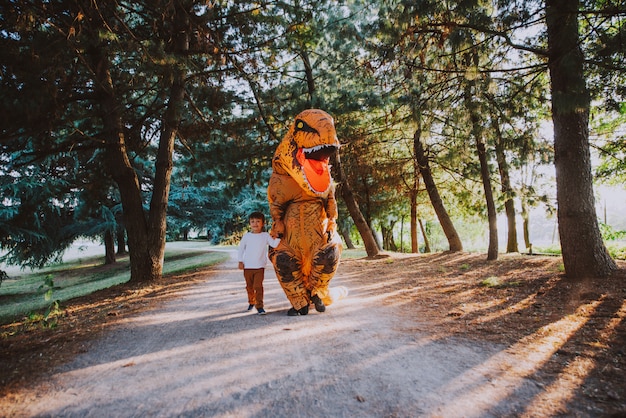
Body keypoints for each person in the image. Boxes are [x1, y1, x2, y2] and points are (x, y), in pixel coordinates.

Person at [237, 211, 281, 315]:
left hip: (259, 267)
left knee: (258, 286)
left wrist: (279, 237)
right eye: (252, 221)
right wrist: (240, 261)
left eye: (258, 221)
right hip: (248, 267)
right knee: (249, 286)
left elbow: (274, 244)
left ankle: (260, 306)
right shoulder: (247, 236)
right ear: (249, 223)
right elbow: (241, 249)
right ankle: (251, 302)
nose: (255, 224)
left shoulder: (265, 236)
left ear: (263, 223)